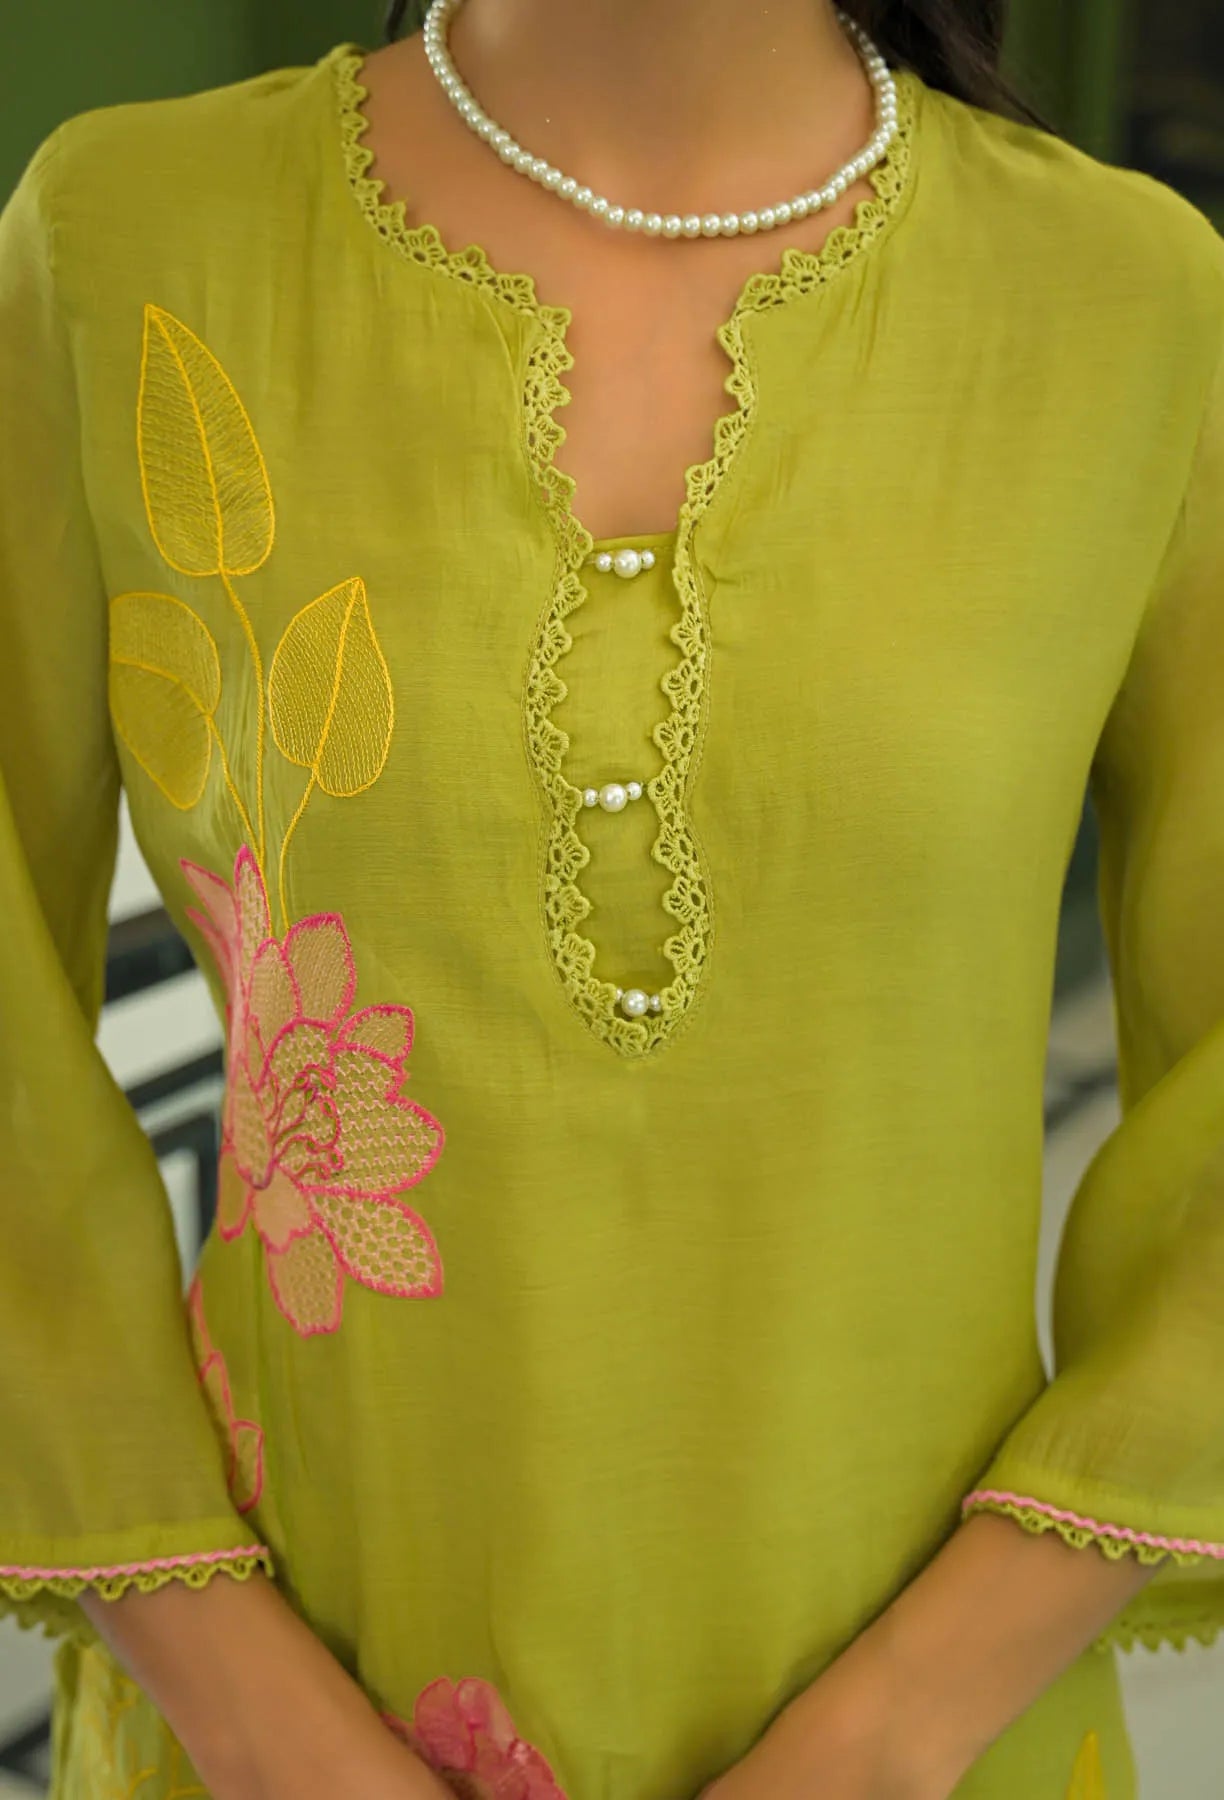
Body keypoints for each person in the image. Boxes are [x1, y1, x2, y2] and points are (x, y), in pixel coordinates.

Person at [1, 0, 1221, 1794]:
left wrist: (890, 1740)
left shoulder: (1132, 302)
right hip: (262, 1729)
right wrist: (255, 1718)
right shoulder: (122, 241)